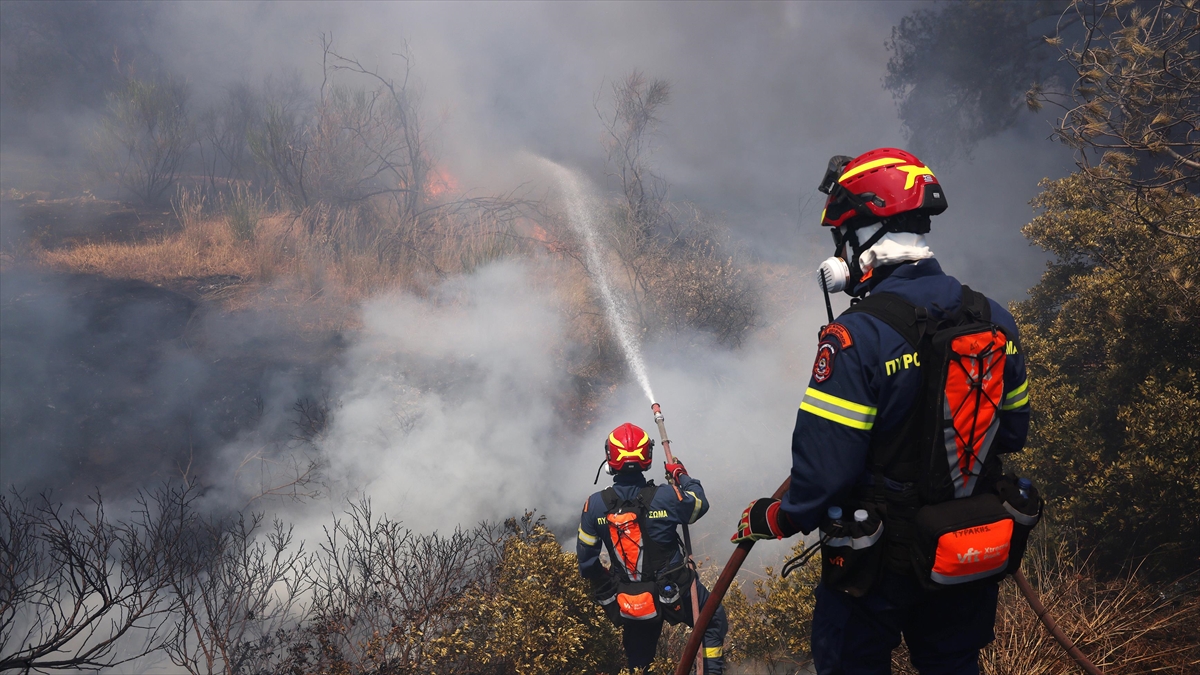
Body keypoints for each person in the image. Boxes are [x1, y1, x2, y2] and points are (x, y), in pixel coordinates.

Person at [732, 148, 1033, 675]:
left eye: (843, 236)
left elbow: (828, 471)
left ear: (867, 234)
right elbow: (1011, 433)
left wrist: (775, 516)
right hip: (965, 548)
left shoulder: (857, 336)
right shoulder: (995, 319)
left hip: (877, 566)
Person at [578, 422, 727, 674]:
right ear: (647, 456)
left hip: (630, 598)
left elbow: (587, 563)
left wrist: (611, 582)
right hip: (675, 590)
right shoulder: (667, 496)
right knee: (712, 621)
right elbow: (700, 504)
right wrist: (681, 475)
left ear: (610, 458)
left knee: (639, 659)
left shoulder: (593, 506)